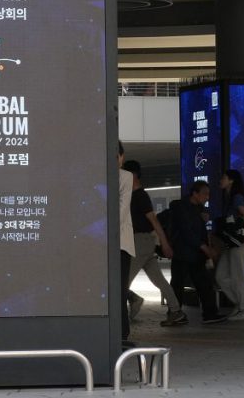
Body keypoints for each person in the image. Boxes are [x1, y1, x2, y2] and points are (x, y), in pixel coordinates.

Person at [123, 160, 187, 327]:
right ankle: (176, 311)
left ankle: (128, 306)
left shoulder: (140, 196)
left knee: (122, 281)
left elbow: (154, 220)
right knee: (159, 280)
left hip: (140, 242)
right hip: (143, 242)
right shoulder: (131, 195)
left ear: (133, 175)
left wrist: (165, 243)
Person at [169, 180, 227, 325]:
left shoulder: (197, 209)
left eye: (208, 194)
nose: (207, 197)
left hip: (195, 254)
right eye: (204, 194)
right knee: (179, 284)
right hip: (183, 252)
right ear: (194, 193)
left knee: (203, 283)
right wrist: (205, 248)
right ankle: (175, 313)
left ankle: (208, 313)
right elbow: (188, 233)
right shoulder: (183, 208)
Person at [214, 170, 244, 321]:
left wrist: (241, 233)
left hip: (238, 243)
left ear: (231, 181)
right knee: (221, 276)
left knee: (238, 276)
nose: (220, 180)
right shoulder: (228, 198)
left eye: (223, 178)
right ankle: (239, 303)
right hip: (230, 243)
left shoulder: (236, 198)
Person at [116, 142, 135, 345]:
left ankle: (122, 334)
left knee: (119, 290)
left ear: (122, 157)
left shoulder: (125, 177)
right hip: (97, 244)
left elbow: (121, 212)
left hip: (120, 243)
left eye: (116, 156)